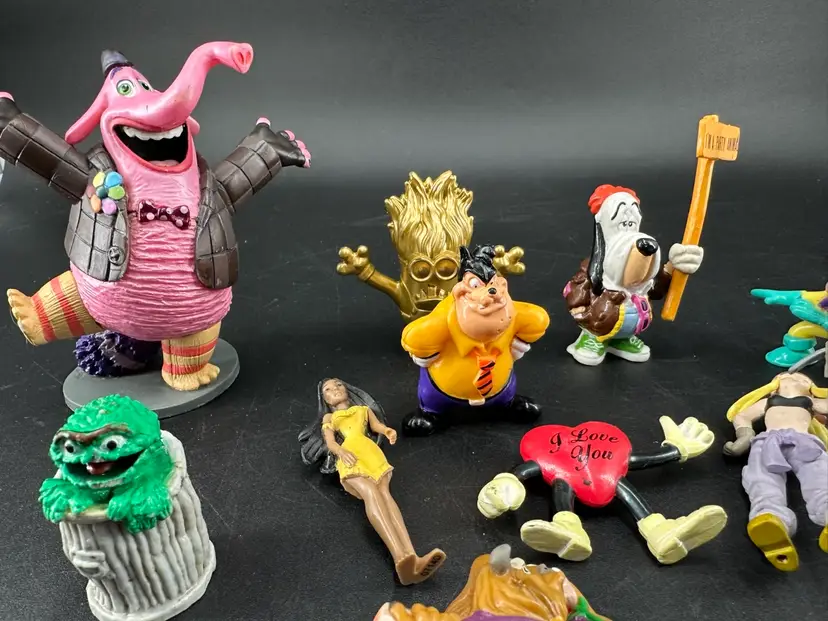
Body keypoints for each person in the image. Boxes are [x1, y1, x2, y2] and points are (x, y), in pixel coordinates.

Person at [299, 378, 445, 585]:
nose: (335, 389)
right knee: (371, 493)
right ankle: (399, 557)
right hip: (350, 456)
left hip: (371, 454)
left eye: (338, 385)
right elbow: (330, 442)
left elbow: (377, 426)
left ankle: (414, 557)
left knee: (385, 495)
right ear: (325, 400)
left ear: (347, 389)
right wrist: (341, 451)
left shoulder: (364, 410)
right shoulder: (329, 417)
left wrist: (387, 431)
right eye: (328, 389)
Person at [724, 372, 828, 571]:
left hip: (803, 441)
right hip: (768, 441)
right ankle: (771, 519)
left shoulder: (812, 402)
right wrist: (744, 437)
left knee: (819, 472)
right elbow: (742, 416)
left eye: (802, 378)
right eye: (785, 375)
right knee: (761, 477)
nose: (792, 376)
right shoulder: (768, 401)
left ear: (811, 388)